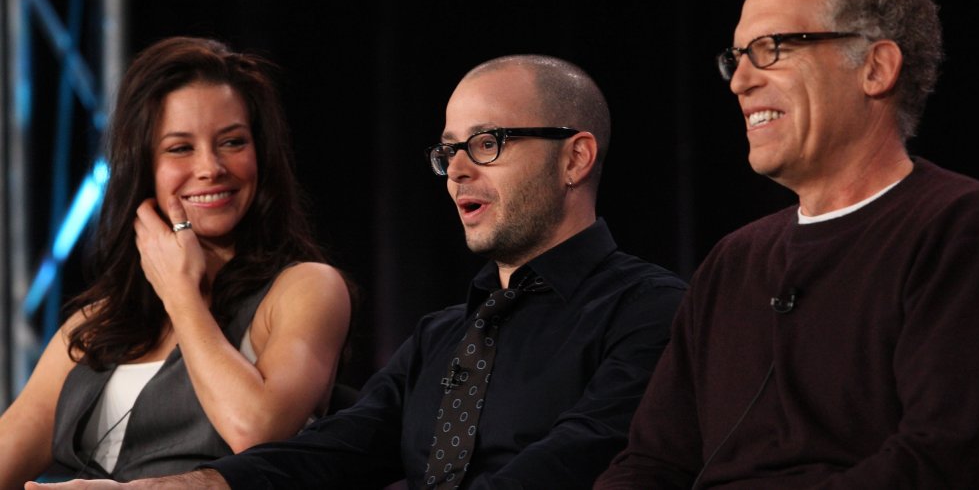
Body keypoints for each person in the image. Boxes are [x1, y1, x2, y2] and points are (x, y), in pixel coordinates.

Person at [34, 54, 687, 489]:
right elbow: (338, 448)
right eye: (449, 151)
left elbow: (579, 457)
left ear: (575, 158)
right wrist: (177, 486)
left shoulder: (652, 310)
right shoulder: (443, 334)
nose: (458, 169)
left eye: (487, 143)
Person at [596, 0, 979, 489]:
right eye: (736, 58)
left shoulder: (964, 228)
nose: (740, 82)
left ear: (875, 68)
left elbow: (944, 458)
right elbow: (651, 463)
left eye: (772, 48)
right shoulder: (732, 262)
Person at [0, 37, 352, 484]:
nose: (210, 167)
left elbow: (257, 432)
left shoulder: (306, 289)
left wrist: (182, 292)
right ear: (142, 166)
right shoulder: (95, 323)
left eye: (232, 142)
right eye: (180, 148)